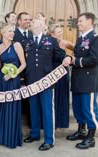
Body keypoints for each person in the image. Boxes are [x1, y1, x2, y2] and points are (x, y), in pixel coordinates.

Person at [23, 19, 71, 151]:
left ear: (41, 26)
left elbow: (61, 56)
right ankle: (35, 134)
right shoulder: (26, 42)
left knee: (47, 111)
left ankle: (49, 140)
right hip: (31, 81)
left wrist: (68, 58)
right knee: (33, 109)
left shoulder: (51, 41)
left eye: (33, 22)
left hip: (46, 82)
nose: (30, 24)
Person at [66, 12, 98, 149]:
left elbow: (95, 59)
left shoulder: (97, 38)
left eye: (81, 21)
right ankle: (82, 131)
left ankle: (91, 137)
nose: (78, 23)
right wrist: (70, 59)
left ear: (90, 22)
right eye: (78, 21)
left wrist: (75, 61)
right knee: (78, 108)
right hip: (77, 80)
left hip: (88, 81)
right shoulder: (80, 39)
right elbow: (76, 56)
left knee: (89, 110)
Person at [0, 23, 26, 149]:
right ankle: (3, 137)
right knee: (3, 107)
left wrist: (13, 74)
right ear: (3, 33)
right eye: (9, 31)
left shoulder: (17, 45)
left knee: (12, 107)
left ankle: (12, 138)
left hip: (13, 81)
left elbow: (23, 64)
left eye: (13, 31)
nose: (12, 33)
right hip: (2, 80)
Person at [48, 24, 75, 129]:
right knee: (52, 97)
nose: (60, 33)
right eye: (58, 32)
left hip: (63, 73)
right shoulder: (48, 42)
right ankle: (52, 121)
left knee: (62, 96)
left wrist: (70, 56)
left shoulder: (64, 43)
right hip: (51, 73)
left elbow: (78, 49)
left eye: (61, 31)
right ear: (52, 34)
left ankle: (62, 121)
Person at [13, 12, 33, 128]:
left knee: (30, 99)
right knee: (18, 100)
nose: (28, 21)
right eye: (25, 19)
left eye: (29, 19)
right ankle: (17, 126)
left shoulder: (32, 34)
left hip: (31, 72)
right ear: (19, 21)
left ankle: (30, 125)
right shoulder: (13, 34)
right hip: (18, 70)